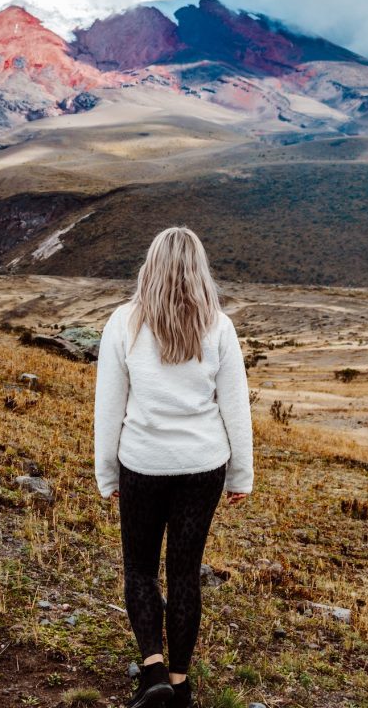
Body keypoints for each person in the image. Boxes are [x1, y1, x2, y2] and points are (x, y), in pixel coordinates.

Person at [94, 227, 253, 708]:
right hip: (202, 467)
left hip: (142, 464)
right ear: (199, 270)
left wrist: (108, 473)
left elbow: (109, 406)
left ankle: (153, 671)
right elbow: (235, 406)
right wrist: (239, 474)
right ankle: (180, 685)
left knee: (140, 569)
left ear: (151, 266)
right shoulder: (218, 326)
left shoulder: (124, 323)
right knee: (184, 573)